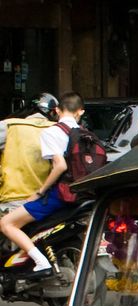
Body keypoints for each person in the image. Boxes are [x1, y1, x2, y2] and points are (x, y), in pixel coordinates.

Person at [0, 91, 84, 278]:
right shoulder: (79, 132)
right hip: (73, 195)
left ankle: (39, 262)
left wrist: (40, 191)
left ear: (59, 110)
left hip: (30, 196)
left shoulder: (12, 126)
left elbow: (60, 165)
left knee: (6, 224)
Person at [0, 93, 58, 214]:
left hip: (13, 199)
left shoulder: (10, 125)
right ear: (53, 112)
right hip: (48, 200)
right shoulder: (58, 129)